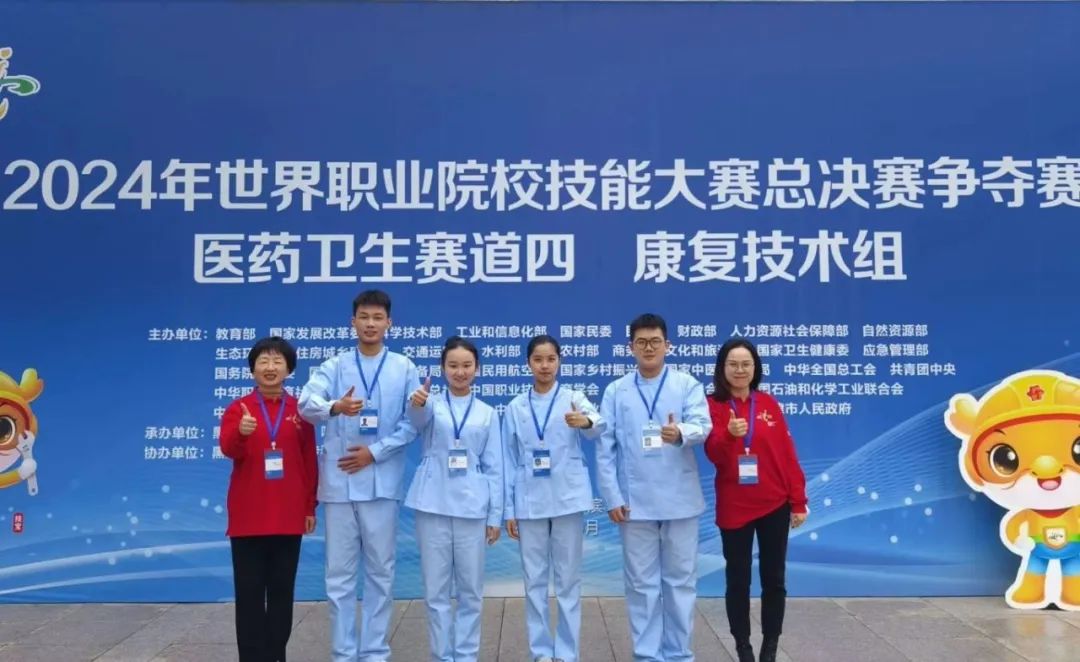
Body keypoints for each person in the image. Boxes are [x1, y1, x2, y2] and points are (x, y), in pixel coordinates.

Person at [299, 290, 420, 662]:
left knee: (381, 571)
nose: (370, 324)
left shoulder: (403, 367)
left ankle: (375, 652)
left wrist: (374, 452)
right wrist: (335, 406)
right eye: (364, 317)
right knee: (339, 575)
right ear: (352, 322)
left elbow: (412, 424)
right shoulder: (334, 366)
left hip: (381, 483)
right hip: (339, 485)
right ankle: (343, 653)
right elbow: (305, 405)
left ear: (389, 323)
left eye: (377, 317)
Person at [596, 313, 712, 662]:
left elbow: (703, 424)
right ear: (630, 347)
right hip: (635, 502)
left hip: (680, 498)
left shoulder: (686, 384)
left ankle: (679, 653)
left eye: (655, 342)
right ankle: (647, 655)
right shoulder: (616, 391)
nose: (649, 348)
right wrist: (612, 496)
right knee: (641, 584)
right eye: (642, 342)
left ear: (667, 345)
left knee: (680, 581)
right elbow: (605, 448)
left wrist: (681, 432)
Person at [704, 338, 807, 662]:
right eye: (733, 364)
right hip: (735, 506)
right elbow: (713, 454)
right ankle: (743, 647)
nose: (740, 370)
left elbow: (787, 455)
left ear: (755, 368)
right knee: (738, 579)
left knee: (774, 579)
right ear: (722, 368)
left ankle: (770, 647)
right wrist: (729, 435)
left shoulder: (768, 404)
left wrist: (798, 500)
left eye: (746, 364)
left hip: (774, 503)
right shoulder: (712, 406)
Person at [503, 334, 605, 662]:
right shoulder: (517, 407)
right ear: (528, 363)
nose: (545, 366)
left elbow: (599, 426)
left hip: (567, 498)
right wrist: (508, 509)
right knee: (533, 580)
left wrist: (585, 421)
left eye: (551, 359)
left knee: (568, 579)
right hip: (529, 500)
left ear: (559, 361)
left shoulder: (573, 398)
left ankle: (567, 652)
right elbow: (507, 460)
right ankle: (540, 652)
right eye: (538, 359)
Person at [404, 335, 503, 662]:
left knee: (471, 591)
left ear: (477, 369)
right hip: (432, 504)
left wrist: (495, 515)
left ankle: (466, 655)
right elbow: (416, 421)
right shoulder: (430, 404)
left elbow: (495, 467)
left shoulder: (487, 413)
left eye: (467, 365)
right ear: (443, 368)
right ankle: (442, 656)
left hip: (472, 508)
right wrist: (417, 403)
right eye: (453, 365)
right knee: (436, 591)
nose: (460, 372)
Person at [220, 336, 318, 662]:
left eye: (278, 361)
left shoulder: (300, 411)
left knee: (281, 593)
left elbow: (309, 462)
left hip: (288, 515)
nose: (270, 367)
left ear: (289, 369)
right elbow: (228, 449)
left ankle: (275, 655)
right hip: (248, 517)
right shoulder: (238, 409)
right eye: (263, 361)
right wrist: (241, 432)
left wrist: (309, 506)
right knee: (249, 596)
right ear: (253, 370)